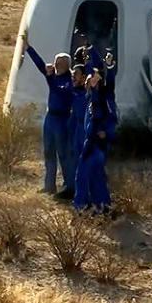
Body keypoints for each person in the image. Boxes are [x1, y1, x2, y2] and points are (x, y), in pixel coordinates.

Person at [24, 40, 73, 195]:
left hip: (62, 119)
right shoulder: (53, 76)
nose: (55, 64)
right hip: (50, 117)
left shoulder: (68, 80)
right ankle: (49, 185)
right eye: (55, 61)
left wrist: (50, 77)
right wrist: (29, 48)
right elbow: (40, 65)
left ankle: (69, 185)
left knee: (63, 153)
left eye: (59, 62)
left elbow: (60, 91)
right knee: (48, 151)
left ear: (66, 64)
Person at [73, 68, 117, 215]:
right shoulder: (91, 101)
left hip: (95, 145)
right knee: (96, 177)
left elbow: (111, 119)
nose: (86, 85)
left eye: (89, 83)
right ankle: (103, 206)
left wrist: (107, 133)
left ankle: (81, 206)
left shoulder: (99, 102)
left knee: (82, 175)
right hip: (92, 143)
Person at [60, 64, 88, 201]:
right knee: (71, 159)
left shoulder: (88, 93)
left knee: (82, 161)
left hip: (85, 130)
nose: (73, 77)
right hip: (75, 127)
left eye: (75, 75)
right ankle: (70, 188)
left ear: (84, 77)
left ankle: (83, 194)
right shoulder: (73, 90)